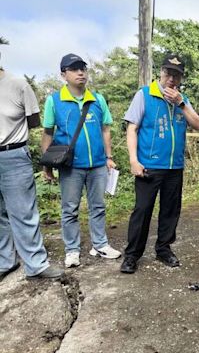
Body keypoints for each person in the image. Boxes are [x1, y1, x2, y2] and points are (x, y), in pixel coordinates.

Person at [120, 53, 199, 274]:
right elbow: (132, 129)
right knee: (142, 211)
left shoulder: (182, 100)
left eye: (177, 75)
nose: (172, 79)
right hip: (148, 166)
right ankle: (132, 255)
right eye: (168, 73)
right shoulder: (145, 95)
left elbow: (198, 125)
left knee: (170, 211)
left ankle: (163, 249)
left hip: (174, 167)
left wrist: (181, 104)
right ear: (160, 73)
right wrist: (133, 160)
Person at [41, 53, 121, 268]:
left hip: (97, 164)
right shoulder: (54, 101)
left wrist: (109, 157)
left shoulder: (97, 99)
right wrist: (46, 165)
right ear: (63, 74)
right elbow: (47, 133)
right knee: (69, 209)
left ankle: (100, 244)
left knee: (98, 206)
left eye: (83, 68)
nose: (80, 73)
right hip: (70, 166)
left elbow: (105, 129)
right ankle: (72, 250)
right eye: (74, 69)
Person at [0, 54, 63, 280]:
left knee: (23, 212)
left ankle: (36, 264)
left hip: (13, 153)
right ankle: (4, 262)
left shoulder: (18, 85)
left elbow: (34, 120)